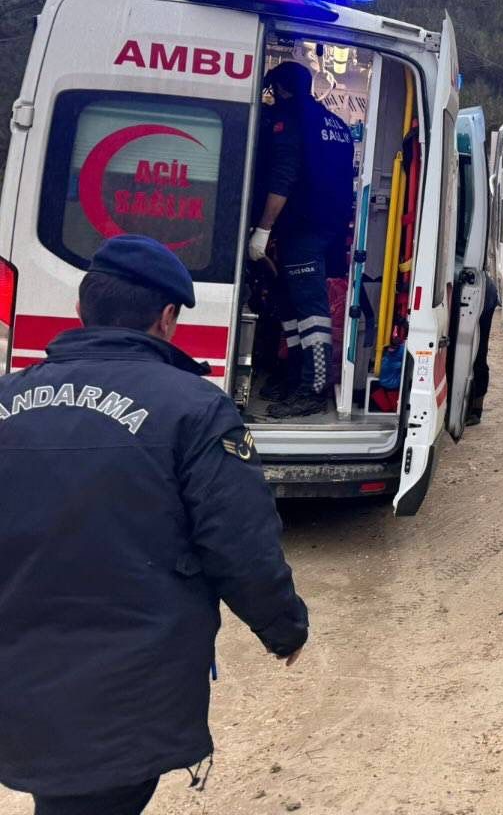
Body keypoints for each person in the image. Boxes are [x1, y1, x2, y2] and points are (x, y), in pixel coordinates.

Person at [0, 235, 309, 815]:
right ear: (167, 318)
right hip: (125, 690)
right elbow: (239, 541)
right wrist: (283, 626)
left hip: (19, 676)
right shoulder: (193, 407)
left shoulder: (8, 398)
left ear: (80, 310)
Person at [248, 60, 355, 419]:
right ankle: (294, 375)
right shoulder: (336, 124)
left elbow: (283, 180)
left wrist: (262, 230)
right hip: (329, 229)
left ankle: (312, 389)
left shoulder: (291, 122)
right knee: (292, 308)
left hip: (302, 230)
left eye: (272, 92)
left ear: (281, 90)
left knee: (310, 313)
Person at [466, 276, 499, 428]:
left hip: (477, 290)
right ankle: (473, 408)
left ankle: (474, 409)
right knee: (477, 351)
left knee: (477, 352)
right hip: (479, 286)